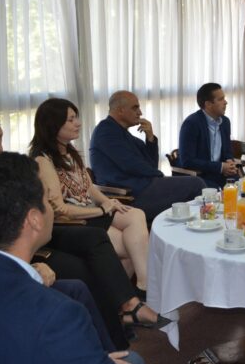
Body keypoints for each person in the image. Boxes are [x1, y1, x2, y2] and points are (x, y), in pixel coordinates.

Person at [0, 152, 226, 364]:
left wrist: (79, 358)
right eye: (47, 199)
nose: (51, 208)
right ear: (33, 220)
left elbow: (8, 348)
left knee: (131, 363)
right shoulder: (55, 314)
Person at [0, 100, 163, 348]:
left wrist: (105, 203)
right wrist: (31, 263)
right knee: (84, 271)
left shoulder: (3, 163)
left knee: (98, 238)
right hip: (16, 247)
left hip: (39, 231)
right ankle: (118, 341)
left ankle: (129, 306)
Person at [30, 98, 153, 300]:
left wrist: (108, 202)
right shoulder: (43, 160)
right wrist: (102, 210)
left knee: (136, 215)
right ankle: (131, 297)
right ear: (53, 124)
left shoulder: (69, 152)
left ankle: (140, 288)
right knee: (132, 246)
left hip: (92, 212)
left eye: (76, 118)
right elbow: (60, 209)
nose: (77, 123)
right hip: (74, 221)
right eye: (70, 120)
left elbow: (89, 188)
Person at [90, 90, 205, 223]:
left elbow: (151, 165)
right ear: (120, 110)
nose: (140, 112)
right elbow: (130, 165)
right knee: (196, 184)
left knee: (195, 187)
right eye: (135, 108)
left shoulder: (124, 134)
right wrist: (159, 175)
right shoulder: (106, 131)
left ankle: (186, 230)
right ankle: (201, 227)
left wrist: (150, 138)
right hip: (128, 195)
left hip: (142, 187)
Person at [178, 82, 240, 188]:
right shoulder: (192, 124)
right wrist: (220, 167)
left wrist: (229, 162)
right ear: (208, 104)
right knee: (219, 192)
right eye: (220, 99)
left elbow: (227, 152)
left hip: (221, 174)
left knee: (241, 187)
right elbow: (187, 161)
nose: (226, 102)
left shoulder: (225, 122)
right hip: (201, 176)